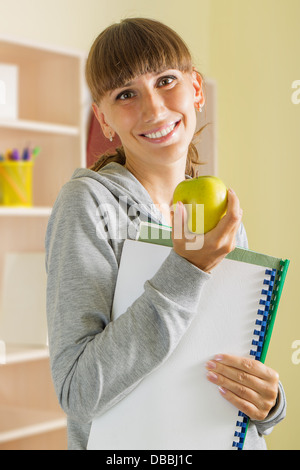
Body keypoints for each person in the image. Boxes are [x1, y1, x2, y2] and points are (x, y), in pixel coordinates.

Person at [45, 18, 286, 450]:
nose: (154, 109)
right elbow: (79, 392)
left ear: (196, 88)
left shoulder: (218, 214)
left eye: (166, 80)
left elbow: (227, 365)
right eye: (125, 94)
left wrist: (268, 404)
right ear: (103, 118)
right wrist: (188, 269)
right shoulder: (89, 205)